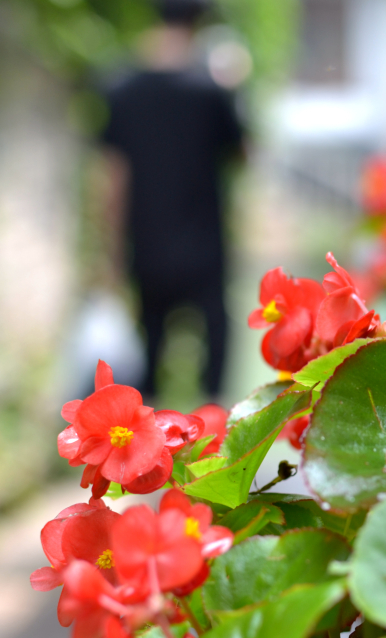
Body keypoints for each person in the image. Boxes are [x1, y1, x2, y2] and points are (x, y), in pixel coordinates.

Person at [100, 0, 244, 400]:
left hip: (146, 246)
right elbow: (241, 155)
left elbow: (112, 180)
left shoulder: (122, 90)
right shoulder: (211, 91)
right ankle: (216, 442)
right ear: (198, 24)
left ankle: (149, 457)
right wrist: (235, 89)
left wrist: (110, 256)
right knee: (214, 368)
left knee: (147, 371)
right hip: (205, 248)